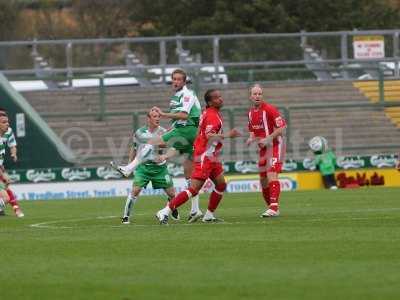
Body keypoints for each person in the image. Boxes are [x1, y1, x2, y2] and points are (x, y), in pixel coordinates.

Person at [116, 69, 203, 222]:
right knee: (189, 175)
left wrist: (164, 115)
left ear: (184, 82)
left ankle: (129, 168)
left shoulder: (187, 94)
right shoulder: (178, 95)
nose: (175, 81)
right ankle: (195, 210)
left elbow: (184, 115)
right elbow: (180, 119)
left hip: (187, 130)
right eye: (173, 79)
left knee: (150, 142)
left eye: (178, 79)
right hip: (189, 133)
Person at [155, 89, 241, 224]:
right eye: (217, 98)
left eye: (220, 96)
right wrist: (228, 135)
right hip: (205, 156)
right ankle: (165, 211)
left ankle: (209, 215)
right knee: (194, 189)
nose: (221, 99)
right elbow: (209, 135)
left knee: (221, 184)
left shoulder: (210, 113)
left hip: (211, 155)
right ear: (210, 102)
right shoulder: (212, 115)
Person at [112, 110, 179, 224]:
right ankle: (126, 217)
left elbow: (168, 145)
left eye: (158, 116)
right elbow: (133, 149)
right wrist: (130, 162)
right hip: (143, 168)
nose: (157, 118)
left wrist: (164, 154)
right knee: (135, 191)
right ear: (148, 119)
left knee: (172, 194)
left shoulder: (163, 131)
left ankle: (170, 208)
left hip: (160, 169)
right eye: (154, 116)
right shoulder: (139, 133)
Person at [246, 84, 286, 217]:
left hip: (275, 146)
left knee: (271, 173)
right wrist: (251, 138)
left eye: (259, 94)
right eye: (255, 94)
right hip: (263, 149)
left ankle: (274, 207)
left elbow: (282, 128)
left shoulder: (269, 109)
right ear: (250, 96)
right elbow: (252, 129)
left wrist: (269, 138)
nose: (257, 96)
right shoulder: (250, 113)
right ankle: (271, 206)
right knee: (263, 180)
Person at [0, 111, 24, 218]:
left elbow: (13, 145)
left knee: (5, 195)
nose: (7, 124)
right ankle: (17, 210)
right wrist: (3, 173)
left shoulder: (6, 135)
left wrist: (13, 154)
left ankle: (15, 209)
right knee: (6, 192)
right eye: (4, 122)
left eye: (7, 122)